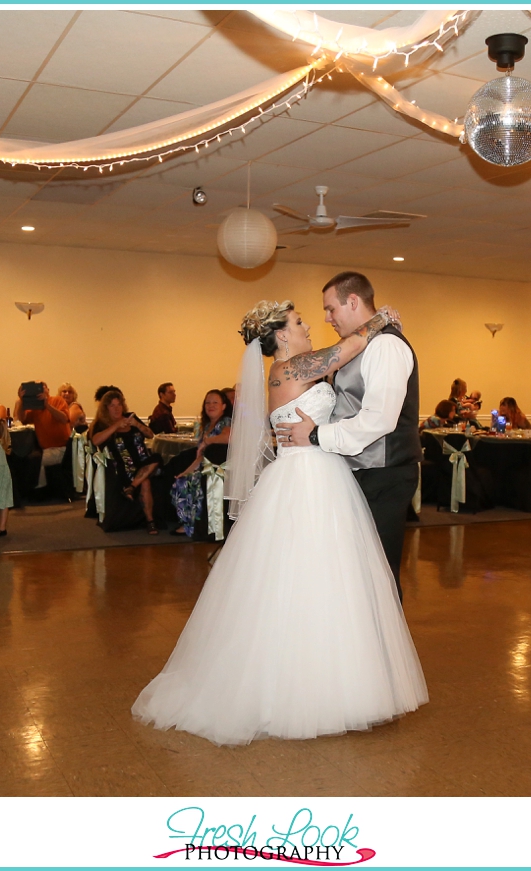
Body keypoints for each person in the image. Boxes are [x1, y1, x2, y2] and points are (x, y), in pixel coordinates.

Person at [132, 298, 426, 745]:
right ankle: (312, 690)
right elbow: (353, 344)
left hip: (309, 471)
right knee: (317, 577)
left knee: (305, 579)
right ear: (283, 335)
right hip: (311, 477)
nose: (309, 325)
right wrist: (383, 317)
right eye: (300, 321)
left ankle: (314, 680)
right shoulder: (295, 367)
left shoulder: (290, 371)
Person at [275, 272, 422, 600]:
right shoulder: (361, 346)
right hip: (358, 473)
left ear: (352, 301)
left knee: (379, 573)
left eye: (331, 309)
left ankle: (384, 648)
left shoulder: (385, 345)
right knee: (354, 573)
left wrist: (316, 437)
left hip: (384, 474)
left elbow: (378, 420)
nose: (326, 319)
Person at [91, 390, 161, 534]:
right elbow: (96, 440)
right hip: (124, 466)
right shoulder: (102, 424)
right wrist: (116, 426)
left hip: (144, 462)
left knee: (158, 458)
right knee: (145, 482)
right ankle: (150, 521)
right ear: (106, 408)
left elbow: (150, 434)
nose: (116, 408)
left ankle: (131, 487)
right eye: (112, 406)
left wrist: (136, 424)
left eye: (119, 405)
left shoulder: (131, 417)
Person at [170, 390, 233, 536]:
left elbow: (228, 437)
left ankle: (194, 526)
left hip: (219, 471)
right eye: (207, 403)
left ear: (223, 406)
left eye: (215, 402)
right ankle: (189, 524)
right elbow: (200, 457)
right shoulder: (206, 426)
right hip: (204, 467)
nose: (210, 405)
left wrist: (208, 441)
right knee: (180, 481)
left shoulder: (226, 421)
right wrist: (186, 472)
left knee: (188, 484)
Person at [14, 381, 71, 487]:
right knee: (27, 458)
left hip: (61, 448)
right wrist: (22, 400)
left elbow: (64, 419)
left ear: (48, 390)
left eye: (42, 387)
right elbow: (22, 419)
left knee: (41, 460)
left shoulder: (57, 400)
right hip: (45, 448)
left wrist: (47, 405)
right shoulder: (35, 407)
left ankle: (41, 490)